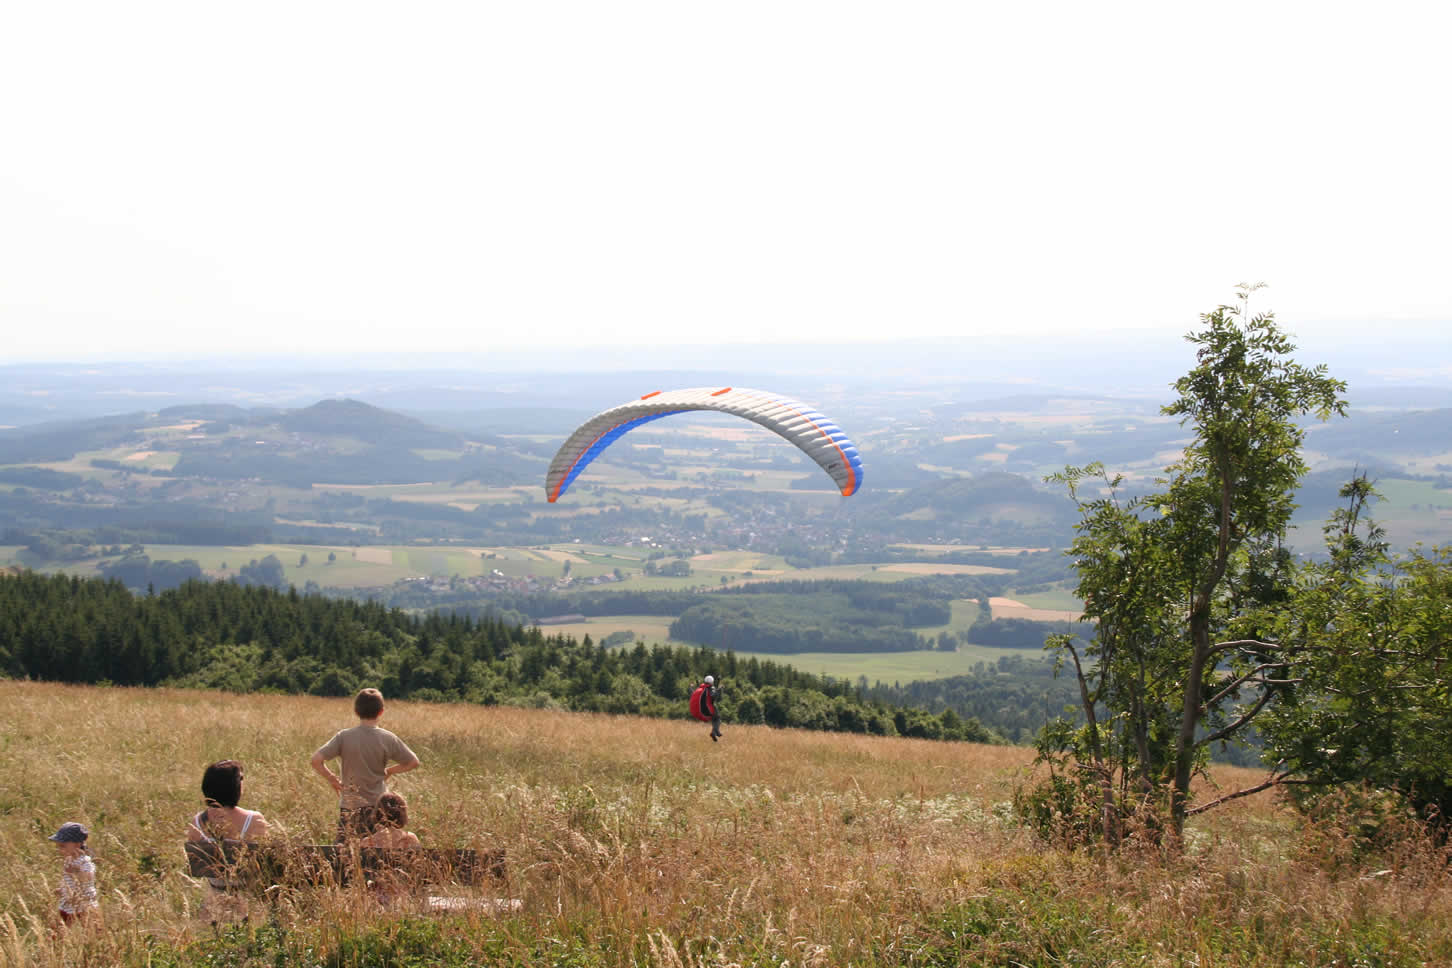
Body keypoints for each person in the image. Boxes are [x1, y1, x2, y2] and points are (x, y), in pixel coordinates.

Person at [310, 687, 420, 842]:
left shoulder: (344, 736)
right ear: (381, 712)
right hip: (378, 807)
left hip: (350, 805)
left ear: (356, 711)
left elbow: (316, 760)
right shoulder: (388, 738)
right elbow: (413, 762)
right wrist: (389, 771)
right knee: (377, 850)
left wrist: (332, 779)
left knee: (344, 851)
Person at [49, 822, 98, 928]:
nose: (60, 850)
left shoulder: (84, 861)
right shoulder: (69, 861)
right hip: (67, 905)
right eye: (59, 846)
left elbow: (88, 877)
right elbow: (68, 881)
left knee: (88, 928)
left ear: (77, 844)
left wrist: (75, 871)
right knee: (60, 929)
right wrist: (62, 890)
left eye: (63, 846)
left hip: (83, 906)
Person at [689, 675, 723, 741]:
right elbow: (714, 696)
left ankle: (716, 732)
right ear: (712, 682)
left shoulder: (700, 689)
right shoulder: (710, 689)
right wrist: (719, 689)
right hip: (706, 711)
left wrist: (691, 688)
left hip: (697, 711)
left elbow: (692, 694)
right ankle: (715, 732)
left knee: (714, 718)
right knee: (717, 718)